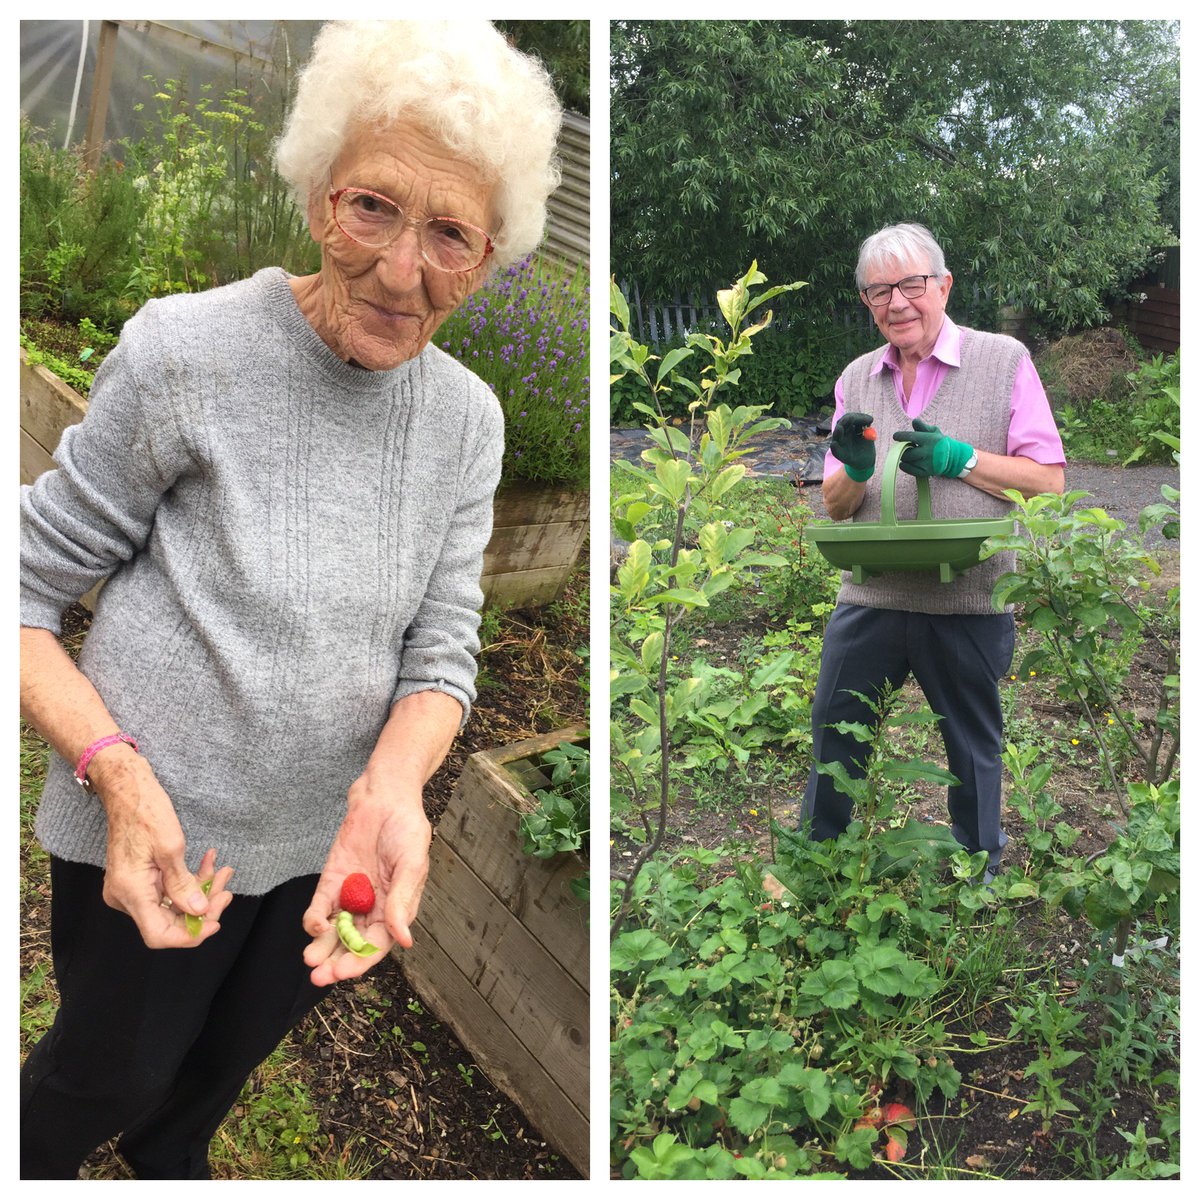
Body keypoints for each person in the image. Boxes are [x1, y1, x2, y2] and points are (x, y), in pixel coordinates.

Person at [19, 20, 563, 1180]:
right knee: (106, 1071)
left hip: (329, 848)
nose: (403, 269)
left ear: (490, 254)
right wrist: (114, 772)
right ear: (317, 192)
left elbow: (441, 652)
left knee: (218, 1069)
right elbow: (19, 586)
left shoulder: (468, 424)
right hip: (157, 839)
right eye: (372, 206)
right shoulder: (184, 355)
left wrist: (392, 786)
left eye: (452, 234)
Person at [801, 222, 1064, 880]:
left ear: (943, 286)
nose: (897, 302)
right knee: (836, 729)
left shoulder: (1002, 361)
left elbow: (1049, 481)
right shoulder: (858, 377)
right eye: (878, 291)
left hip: (970, 596)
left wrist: (963, 458)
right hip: (872, 593)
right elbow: (834, 505)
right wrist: (855, 468)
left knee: (971, 747)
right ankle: (816, 863)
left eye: (912, 284)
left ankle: (979, 875)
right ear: (866, 302)